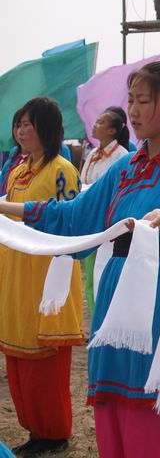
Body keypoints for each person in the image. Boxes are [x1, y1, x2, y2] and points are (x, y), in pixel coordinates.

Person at [0, 62, 160, 456]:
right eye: (130, 100)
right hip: (114, 289)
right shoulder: (125, 168)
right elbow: (76, 215)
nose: (132, 110)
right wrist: (9, 209)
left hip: (157, 295)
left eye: (143, 101)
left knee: (149, 399)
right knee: (113, 404)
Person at [0, 98, 82, 457]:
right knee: (17, 356)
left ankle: (53, 431)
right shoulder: (17, 170)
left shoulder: (62, 169)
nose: (20, 131)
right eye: (18, 124)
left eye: (28, 124)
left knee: (45, 356)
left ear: (46, 129)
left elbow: (71, 220)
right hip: (15, 270)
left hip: (47, 272)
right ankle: (34, 428)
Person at [81, 107, 133, 316]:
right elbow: (84, 180)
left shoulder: (122, 156)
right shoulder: (93, 153)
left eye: (101, 122)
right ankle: (95, 320)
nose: (95, 124)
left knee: (103, 272)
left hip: (109, 222)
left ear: (112, 130)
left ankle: (104, 319)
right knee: (90, 276)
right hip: (91, 218)